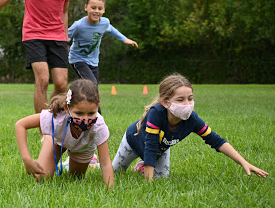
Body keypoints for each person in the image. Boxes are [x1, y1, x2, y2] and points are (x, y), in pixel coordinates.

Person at [112, 73, 269, 181]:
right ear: (166, 102)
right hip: (133, 142)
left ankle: (141, 166)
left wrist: (244, 162)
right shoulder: (156, 113)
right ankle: (94, 162)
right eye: (180, 100)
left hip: (160, 149)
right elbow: (151, 146)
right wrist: (148, 182)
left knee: (161, 180)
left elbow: (216, 141)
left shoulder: (191, 119)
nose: (187, 104)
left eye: (190, 98)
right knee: (114, 173)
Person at [15, 79, 114, 188]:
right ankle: (49, 138)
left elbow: (105, 162)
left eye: (91, 113)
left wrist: (110, 190)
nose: (85, 119)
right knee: (41, 178)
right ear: (67, 108)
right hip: (58, 142)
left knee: (75, 178)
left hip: (83, 147)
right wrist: (26, 159)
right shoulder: (56, 117)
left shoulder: (98, 125)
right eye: (79, 113)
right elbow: (20, 125)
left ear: (97, 107)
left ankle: (80, 163)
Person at [69, 0, 138, 87]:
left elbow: (112, 30)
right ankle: (70, 98)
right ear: (86, 7)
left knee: (93, 87)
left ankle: (75, 99)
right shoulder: (78, 25)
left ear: (104, 10)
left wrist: (125, 39)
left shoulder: (104, 23)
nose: (96, 11)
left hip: (93, 61)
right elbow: (65, 36)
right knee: (91, 85)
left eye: (100, 8)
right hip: (78, 60)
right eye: (93, 8)